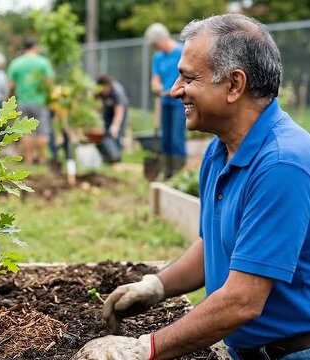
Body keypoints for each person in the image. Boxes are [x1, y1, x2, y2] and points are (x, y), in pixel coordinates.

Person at [73, 14, 310, 360]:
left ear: (234, 85)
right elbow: (212, 244)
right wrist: (157, 286)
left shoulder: (281, 164)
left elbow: (242, 302)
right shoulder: (220, 151)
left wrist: (143, 350)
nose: (174, 90)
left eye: (187, 77)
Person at [145, 22, 186, 179]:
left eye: (155, 44)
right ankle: (167, 173)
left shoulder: (181, 52)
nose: (155, 48)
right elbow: (155, 79)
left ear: (162, 39)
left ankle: (178, 173)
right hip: (164, 101)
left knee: (176, 138)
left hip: (179, 102)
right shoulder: (158, 57)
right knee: (166, 139)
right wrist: (157, 88)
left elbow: (188, 76)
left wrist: (174, 90)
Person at [7, 38, 54, 164]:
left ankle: (28, 159)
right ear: (35, 47)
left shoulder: (16, 63)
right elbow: (49, 82)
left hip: (22, 101)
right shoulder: (43, 62)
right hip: (40, 101)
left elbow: (10, 85)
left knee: (25, 131)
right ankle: (42, 159)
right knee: (42, 132)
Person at [96, 74, 129, 153]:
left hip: (121, 110)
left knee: (116, 132)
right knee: (107, 130)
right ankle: (109, 154)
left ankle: (117, 155)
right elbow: (96, 104)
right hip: (108, 109)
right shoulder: (98, 90)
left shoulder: (117, 92)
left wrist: (115, 126)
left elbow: (119, 111)